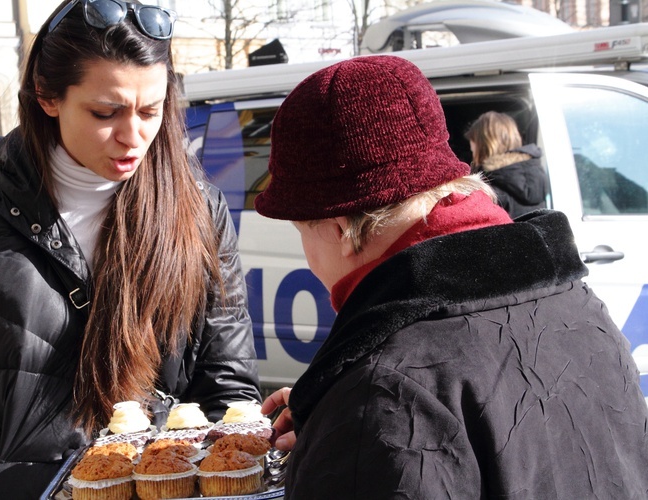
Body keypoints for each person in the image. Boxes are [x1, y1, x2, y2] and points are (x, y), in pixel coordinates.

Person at [0, 1, 261, 498]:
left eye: (151, 111)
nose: (133, 136)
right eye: (105, 112)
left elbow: (227, 386)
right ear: (48, 97)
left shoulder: (199, 210)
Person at [257, 55, 648, 499]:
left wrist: (345, 426)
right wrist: (329, 416)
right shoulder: (582, 308)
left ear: (340, 229)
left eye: (300, 232)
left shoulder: (380, 395)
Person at [464, 110, 548, 218]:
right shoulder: (537, 177)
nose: (473, 157)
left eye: (473, 151)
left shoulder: (491, 191)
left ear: (485, 148)